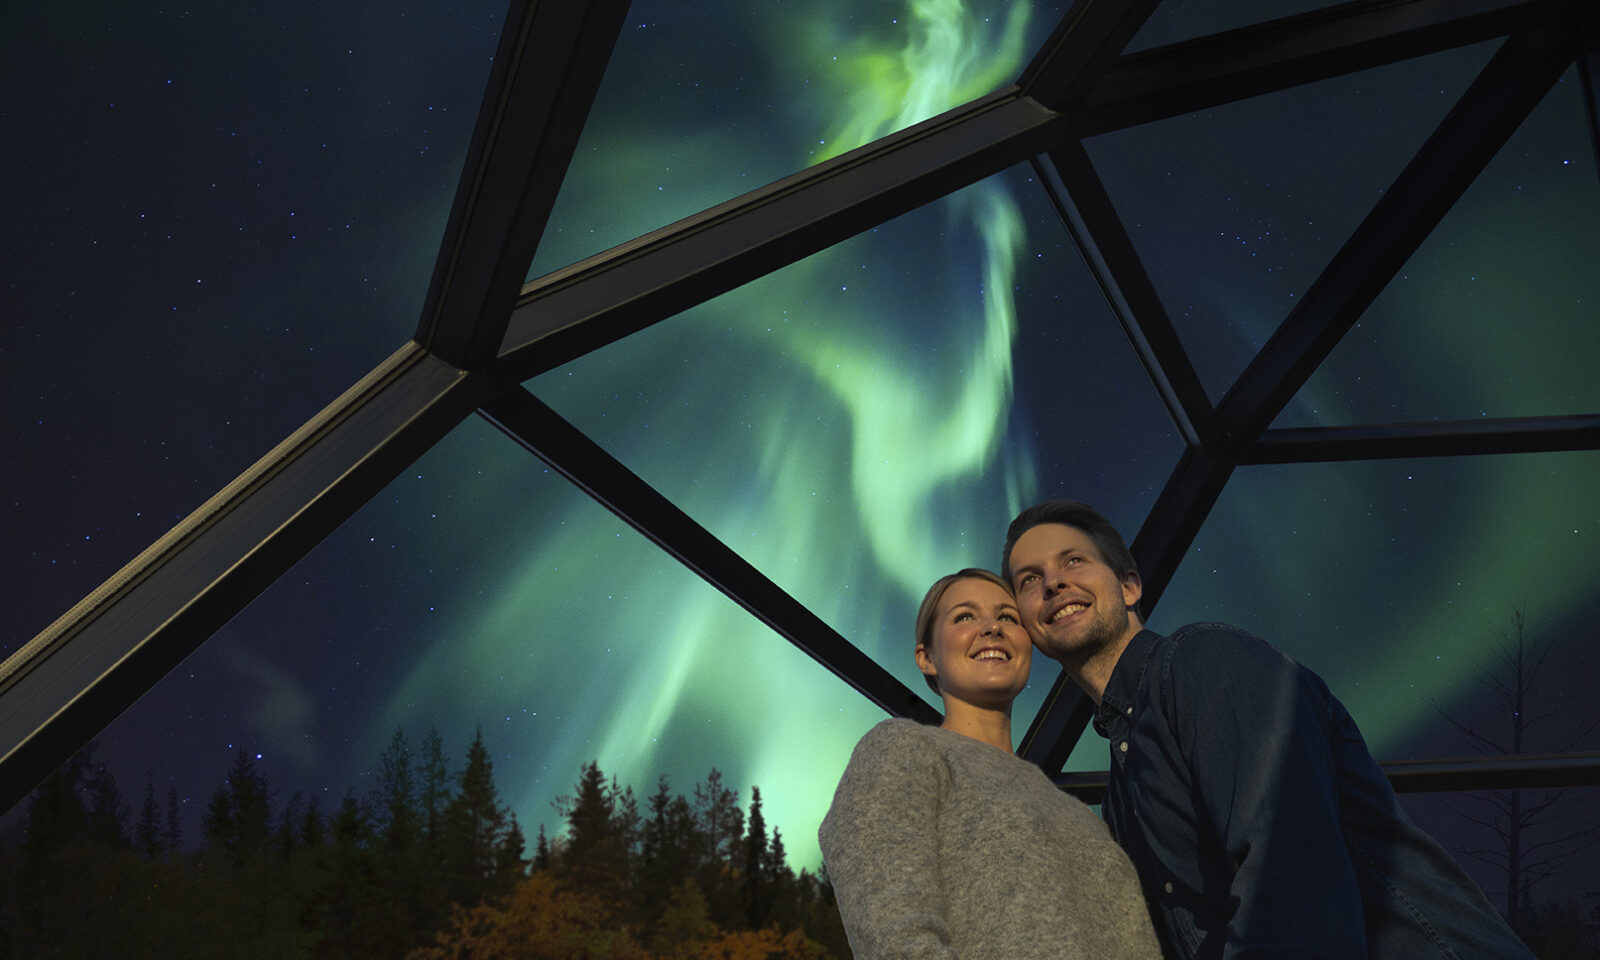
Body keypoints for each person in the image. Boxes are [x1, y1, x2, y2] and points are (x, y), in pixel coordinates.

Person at [1002, 500, 1535, 960]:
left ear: (1129, 584)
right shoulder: (1122, 784)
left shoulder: (1202, 660)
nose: (1053, 582)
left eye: (1074, 560)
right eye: (1030, 580)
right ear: (1024, 621)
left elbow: (1289, 869)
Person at [818, 568, 1162, 960]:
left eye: (1008, 618)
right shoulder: (903, 749)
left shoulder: (1083, 818)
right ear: (926, 657)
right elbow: (895, 937)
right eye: (965, 616)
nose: (991, 628)